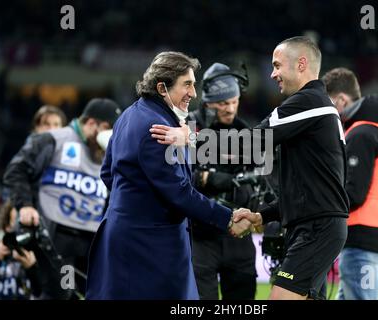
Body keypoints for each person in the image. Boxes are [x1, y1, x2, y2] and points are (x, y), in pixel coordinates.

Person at [150, 37, 350, 300]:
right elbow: (305, 188)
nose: (273, 73)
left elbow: (253, 143)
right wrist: (262, 215)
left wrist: (190, 137)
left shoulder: (307, 102)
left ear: (301, 64)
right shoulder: (316, 108)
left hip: (315, 229)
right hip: (314, 226)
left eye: (277, 65)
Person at [85, 52, 253, 300]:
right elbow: (180, 193)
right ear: (162, 87)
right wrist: (227, 218)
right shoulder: (159, 129)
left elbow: (108, 172)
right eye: (187, 84)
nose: (193, 93)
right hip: (150, 245)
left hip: (126, 236)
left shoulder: (130, 115)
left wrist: (136, 200)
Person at [3, 98, 121, 299]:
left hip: (91, 239)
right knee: (58, 294)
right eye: (107, 128)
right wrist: (25, 206)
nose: (111, 136)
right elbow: (16, 170)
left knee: (92, 294)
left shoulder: (110, 153)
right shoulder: (54, 139)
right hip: (56, 235)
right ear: (91, 123)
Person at [322, 68, 378, 300]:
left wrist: (322, 209)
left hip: (362, 234)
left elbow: (354, 193)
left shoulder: (361, 133)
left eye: (329, 105)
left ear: (342, 100)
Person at [187, 62, 257, 300]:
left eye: (234, 102)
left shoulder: (245, 131)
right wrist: (210, 178)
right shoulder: (187, 128)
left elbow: (257, 180)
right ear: (207, 102)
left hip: (238, 235)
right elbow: (177, 179)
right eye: (223, 103)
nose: (230, 109)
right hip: (199, 236)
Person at [0, 200, 41, 299]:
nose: (22, 228)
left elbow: (52, 292)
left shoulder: (42, 254)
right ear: (7, 227)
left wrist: (32, 268)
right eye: (17, 221)